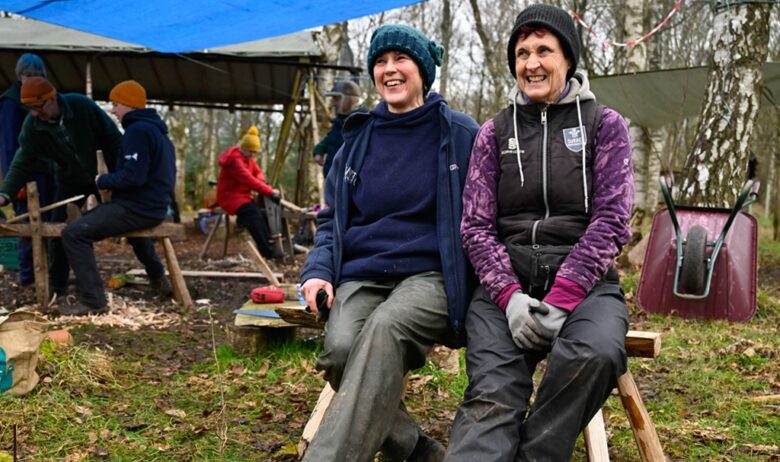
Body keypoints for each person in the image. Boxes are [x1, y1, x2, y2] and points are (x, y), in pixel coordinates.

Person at [444, 4, 634, 461]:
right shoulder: (494, 132)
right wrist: (507, 296)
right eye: (522, 52)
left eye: (544, 50)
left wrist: (565, 294)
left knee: (594, 354)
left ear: (568, 58)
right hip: (506, 286)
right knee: (492, 394)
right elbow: (474, 225)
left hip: (587, 286)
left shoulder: (605, 126)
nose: (531, 63)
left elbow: (612, 221)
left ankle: (537, 452)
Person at [299, 24, 479, 462]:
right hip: (361, 272)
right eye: (380, 61)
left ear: (423, 69)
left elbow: (484, 215)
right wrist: (319, 270)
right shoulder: (356, 139)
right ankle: (413, 447)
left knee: (384, 328)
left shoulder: (460, 134)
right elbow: (331, 220)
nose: (390, 69)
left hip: (430, 276)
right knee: (341, 349)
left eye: (401, 59)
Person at [58, 80, 176, 315]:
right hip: (154, 207)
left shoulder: (138, 131)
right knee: (135, 237)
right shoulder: (158, 133)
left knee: (74, 233)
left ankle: (93, 299)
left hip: (139, 208)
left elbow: (134, 177)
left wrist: (103, 181)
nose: (113, 111)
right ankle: (159, 280)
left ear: (129, 104)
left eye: (116, 104)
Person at [0, 76, 121, 297]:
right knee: (57, 228)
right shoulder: (33, 125)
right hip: (70, 180)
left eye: (38, 107)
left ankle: (156, 275)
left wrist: (118, 178)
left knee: (128, 222)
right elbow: (23, 160)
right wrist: (5, 194)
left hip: (104, 175)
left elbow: (113, 139)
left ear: (52, 99)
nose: (35, 113)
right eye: (30, 109)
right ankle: (58, 286)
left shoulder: (80, 106)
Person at [0, 53, 56, 286]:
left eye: (37, 76)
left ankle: (51, 274)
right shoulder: (11, 103)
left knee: (51, 224)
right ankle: (28, 277)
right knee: (28, 226)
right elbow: (8, 146)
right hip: (26, 175)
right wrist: (14, 184)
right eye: (28, 76)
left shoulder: (44, 97)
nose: (33, 80)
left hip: (48, 172)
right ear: (20, 76)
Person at [216, 126, 283, 259]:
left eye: (255, 152)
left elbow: (257, 173)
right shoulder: (235, 160)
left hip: (242, 196)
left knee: (263, 212)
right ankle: (267, 251)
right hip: (229, 197)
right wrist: (270, 192)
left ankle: (271, 242)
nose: (253, 155)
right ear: (244, 148)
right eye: (251, 151)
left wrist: (262, 182)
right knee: (252, 213)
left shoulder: (247, 157)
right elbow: (249, 180)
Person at [312, 80, 364, 178]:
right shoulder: (339, 122)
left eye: (336, 99)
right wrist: (319, 150)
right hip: (333, 181)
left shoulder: (361, 123)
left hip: (348, 185)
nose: (333, 104)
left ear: (348, 99)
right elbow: (331, 139)